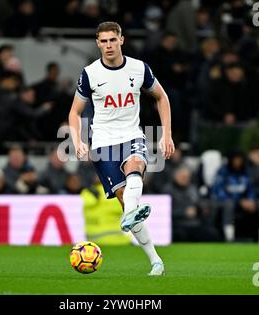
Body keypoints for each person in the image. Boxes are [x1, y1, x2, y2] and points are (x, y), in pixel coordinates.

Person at [68, 22, 175, 276]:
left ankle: (130, 213)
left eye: (112, 41)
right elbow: (74, 112)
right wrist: (78, 140)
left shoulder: (139, 69)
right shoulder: (90, 74)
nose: (108, 46)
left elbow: (162, 97)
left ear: (121, 40)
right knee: (129, 203)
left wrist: (166, 135)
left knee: (136, 166)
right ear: (97, 43)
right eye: (103, 41)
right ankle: (155, 260)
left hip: (132, 135)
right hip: (103, 144)